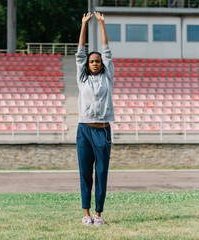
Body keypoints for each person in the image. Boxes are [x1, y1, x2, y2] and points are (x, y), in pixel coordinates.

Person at [75, 11, 115, 227]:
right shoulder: (82, 79)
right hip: (84, 131)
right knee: (85, 173)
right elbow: (80, 53)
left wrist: (101, 24)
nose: (96, 63)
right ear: (88, 64)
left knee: (101, 173)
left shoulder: (108, 77)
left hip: (103, 130)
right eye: (92, 61)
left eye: (98, 61)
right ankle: (86, 213)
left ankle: (99, 214)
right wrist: (84, 25)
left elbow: (107, 52)